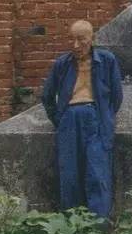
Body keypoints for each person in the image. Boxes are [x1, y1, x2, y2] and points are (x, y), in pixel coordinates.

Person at [41, 20, 123, 223]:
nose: (76, 45)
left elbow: (116, 96)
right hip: (69, 118)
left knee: (97, 171)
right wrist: (59, 119)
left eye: (81, 40)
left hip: (96, 117)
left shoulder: (107, 60)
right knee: (70, 172)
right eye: (73, 39)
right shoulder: (62, 64)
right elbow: (47, 96)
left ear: (91, 38)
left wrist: (105, 116)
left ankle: (99, 225)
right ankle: (73, 223)